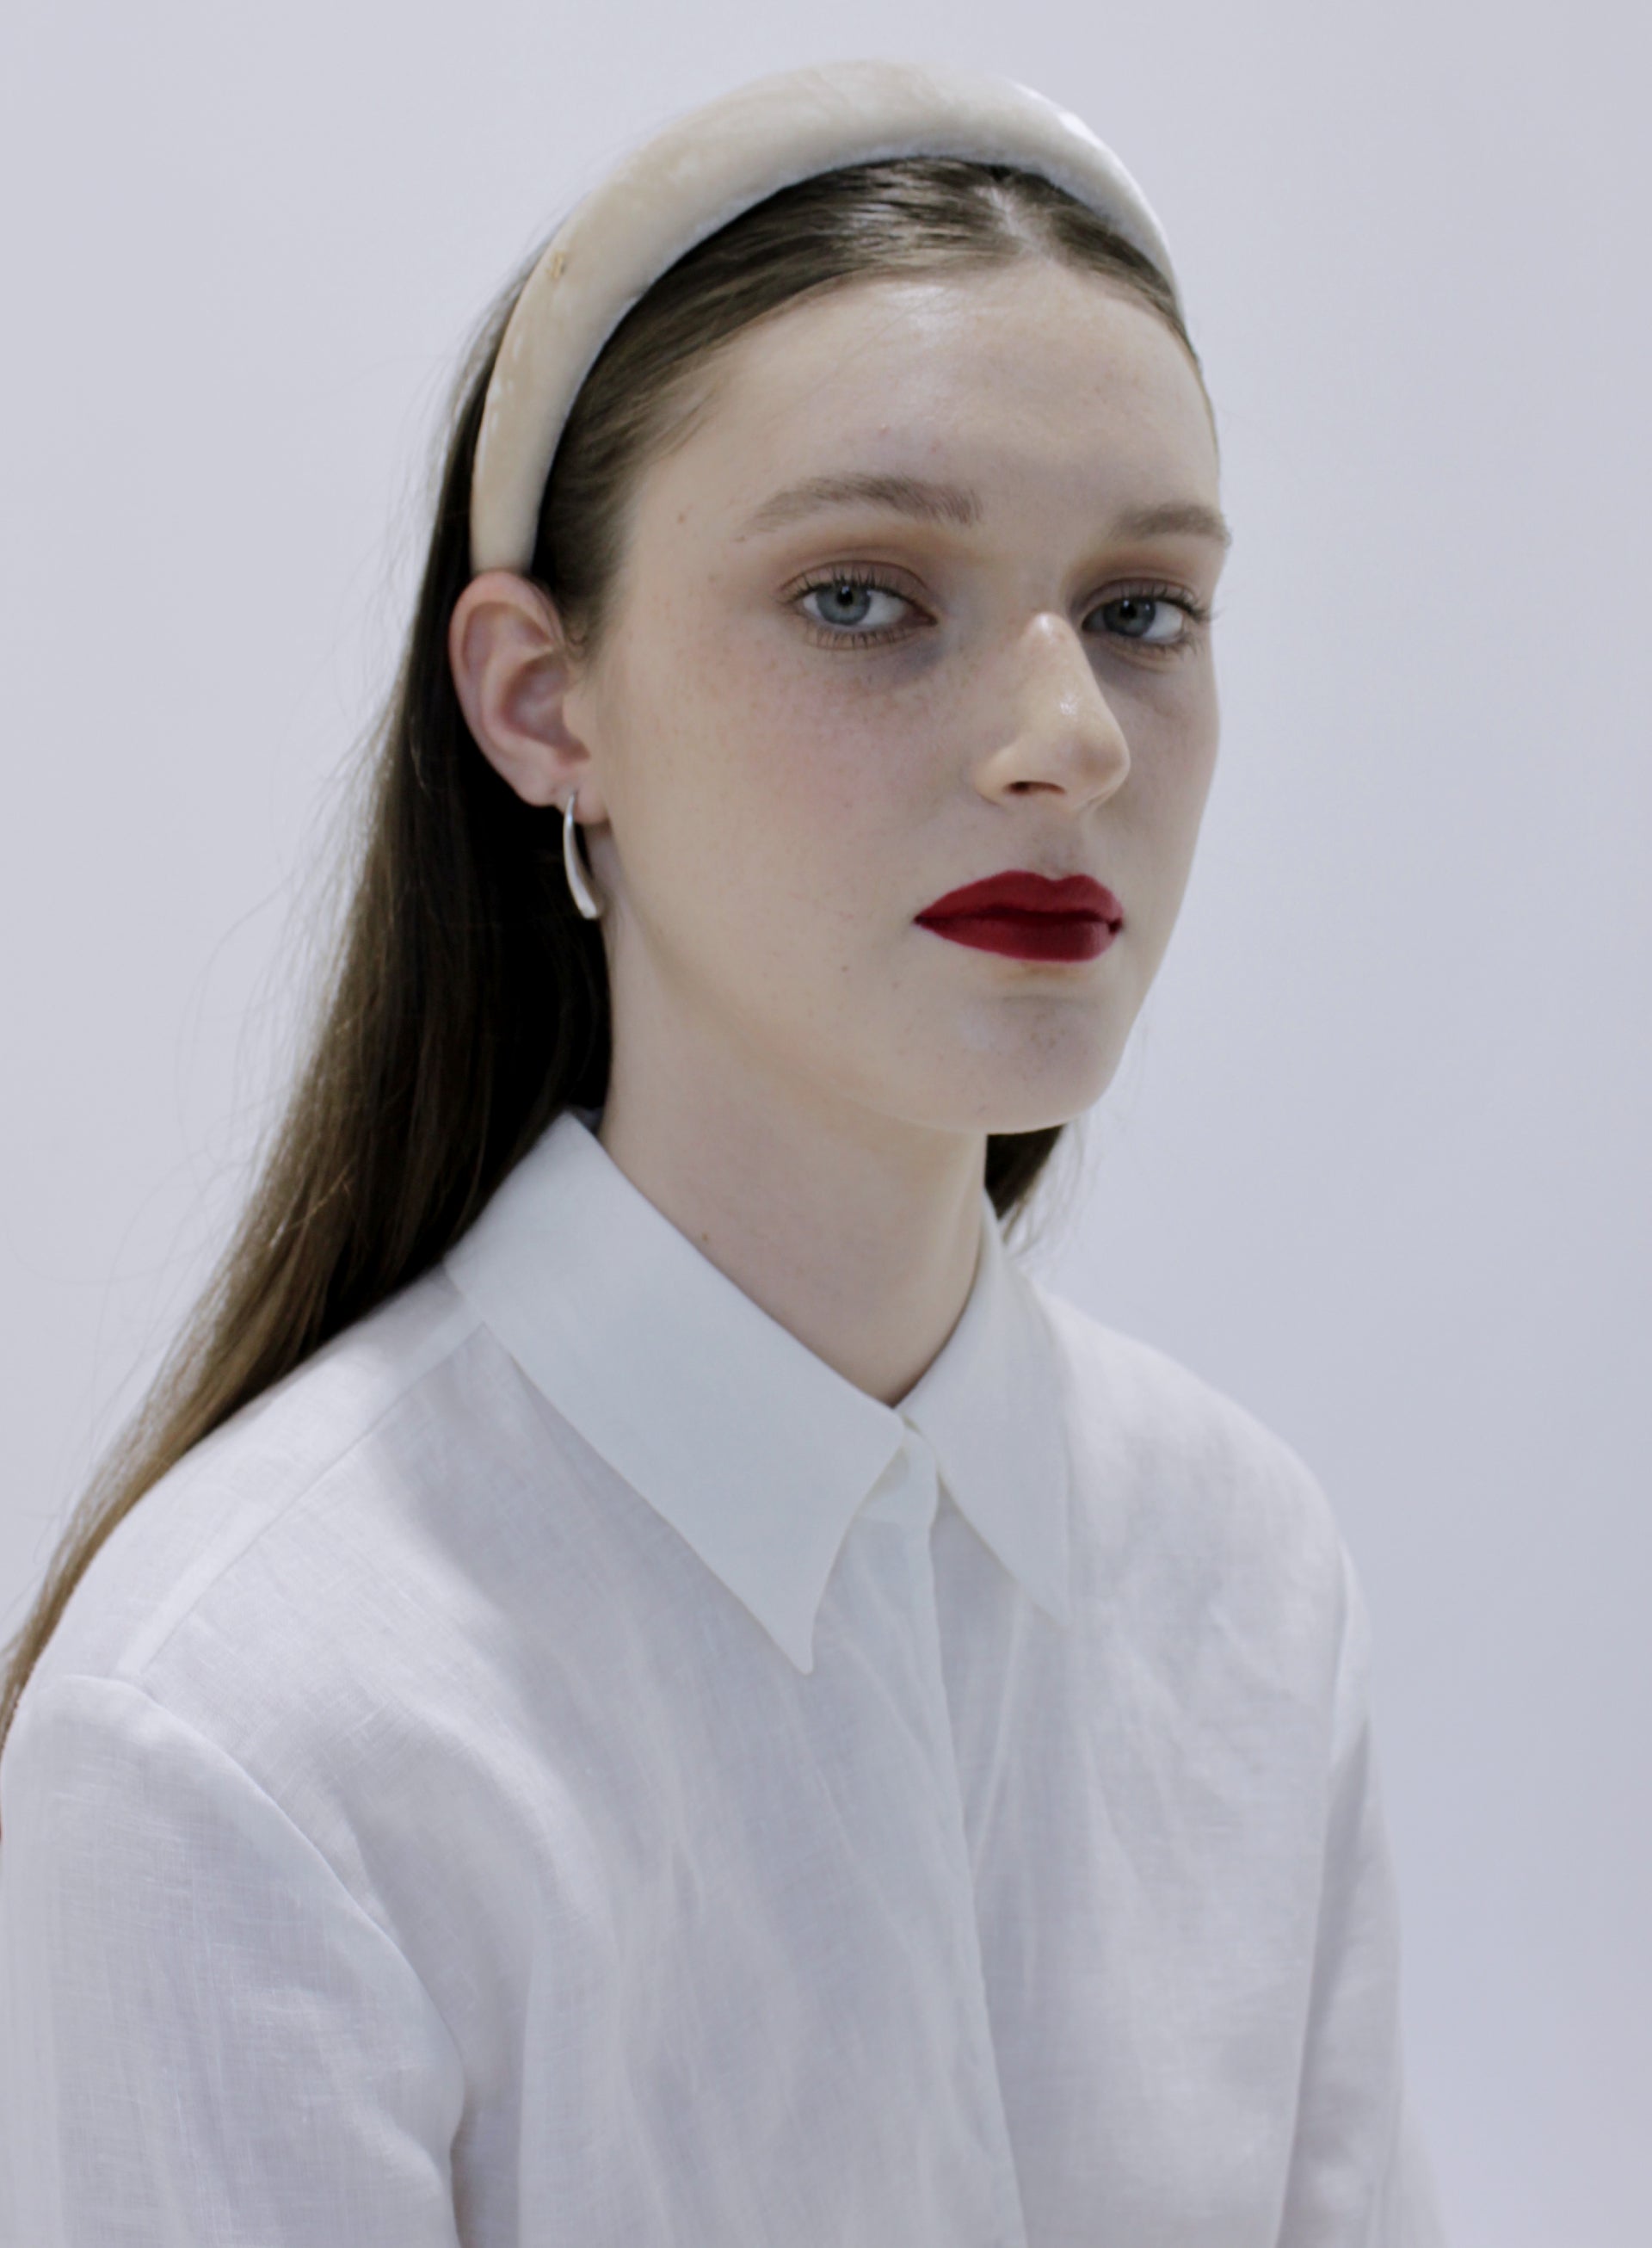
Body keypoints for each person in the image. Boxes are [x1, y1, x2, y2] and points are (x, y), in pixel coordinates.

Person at [0, 58, 1446, 2246]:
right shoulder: (239, 1731)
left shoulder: (1246, 1573)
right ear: (538, 698)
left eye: (1145, 607)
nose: (1068, 736)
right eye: (865, 594)